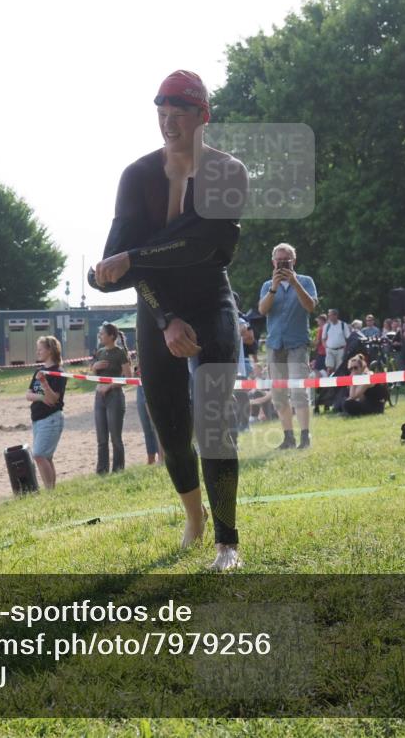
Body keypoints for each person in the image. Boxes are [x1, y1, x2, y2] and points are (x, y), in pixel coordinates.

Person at [91, 69, 248, 571]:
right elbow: (113, 262)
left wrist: (133, 259)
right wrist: (163, 317)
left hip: (211, 302)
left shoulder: (227, 171)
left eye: (179, 111)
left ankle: (228, 541)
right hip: (157, 308)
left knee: (215, 423)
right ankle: (193, 516)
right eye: (162, 111)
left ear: (203, 116)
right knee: (171, 427)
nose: (168, 120)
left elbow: (206, 244)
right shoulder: (137, 175)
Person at [258, 242, 319, 449]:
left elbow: (310, 306)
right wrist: (274, 288)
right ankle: (288, 437)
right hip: (275, 345)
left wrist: (294, 283)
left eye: (287, 260)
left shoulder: (305, 281)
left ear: (294, 261)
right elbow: (262, 310)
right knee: (279, 394)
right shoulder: (267, 285)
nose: (282, 264)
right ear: (273, 262)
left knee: (299, 391)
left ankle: (305, 436)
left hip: (297, 344)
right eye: (279, 260)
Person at [90, 322, 131, 474]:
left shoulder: (120, 353)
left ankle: (118, 470)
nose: (99, 336)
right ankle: (102, 471)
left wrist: (110, 386)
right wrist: (94, 368)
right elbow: (95, 375)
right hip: (99, 398)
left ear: (111, 336)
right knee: (101, 439)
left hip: (115, 397)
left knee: (115, 438)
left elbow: (128, 377)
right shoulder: (100, 352)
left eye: (102, 333)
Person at [28, 335, 67, 488]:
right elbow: (28, 395)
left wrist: (44, 383)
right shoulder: (39, 370)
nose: (37, 352)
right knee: (46, 457)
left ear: (50, 351)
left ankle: (50, 491)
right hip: (38, 419)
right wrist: (41, 397)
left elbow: (53, 399)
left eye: (40, 349)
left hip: (51, 418)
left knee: (39, 455)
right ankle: (51, 490)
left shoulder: (58, 372)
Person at [133, 357, 162, 464]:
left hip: (153, 381)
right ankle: (151, 459)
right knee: (146, 426)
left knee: (156, 425)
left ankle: (162, 459)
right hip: (141, 384)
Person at [323, 309, 350, 374]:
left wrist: (345, 349)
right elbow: (323, 338)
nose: (329, 317)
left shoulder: (343, 325)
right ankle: (329, 382)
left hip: (340, 350)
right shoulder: (327, 326)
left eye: (330, 315)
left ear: (335, 315)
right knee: (329, 368)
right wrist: (326, 347)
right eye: (328, 315)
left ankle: (338, 383)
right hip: (330, 350)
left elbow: (348, 338)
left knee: (339, 369)